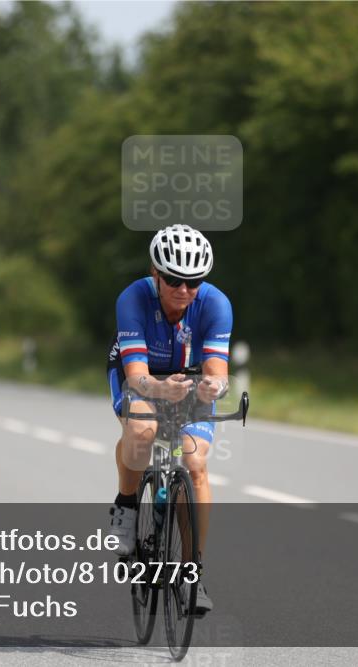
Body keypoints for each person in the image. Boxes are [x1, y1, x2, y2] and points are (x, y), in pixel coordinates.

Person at [106, 224, 232, 615]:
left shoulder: (215, 304)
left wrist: (213, 389)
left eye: (192, 282)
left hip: (188, 379)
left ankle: (191, 570)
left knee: (194, 463)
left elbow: (218, 373)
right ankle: (126, 506)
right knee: (143, 431)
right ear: (155, 274)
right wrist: (161, 390)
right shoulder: (133, 298)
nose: (183, 290)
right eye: (174, 279)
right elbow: (136, 375)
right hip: (141, 374)